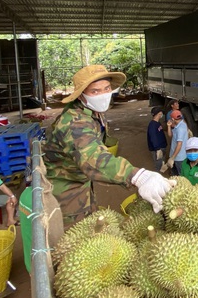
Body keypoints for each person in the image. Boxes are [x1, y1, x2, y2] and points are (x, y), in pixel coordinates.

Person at [43, 65, 175, 225]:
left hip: (82, 180)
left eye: (106, 88)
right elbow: (93, 159)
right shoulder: (74, 124)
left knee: (91, 222)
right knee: (74, 237)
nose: (103, 95)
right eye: (95, 91)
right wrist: (136, 176)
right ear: (81, 96)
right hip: (66, 189)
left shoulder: (93, 113)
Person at [166, 109, 188, 175]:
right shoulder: (180, 124)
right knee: (174, 173)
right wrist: (169, 126)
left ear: (173, 119)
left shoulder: (180, 129)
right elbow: (170, 135)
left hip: (179, 157)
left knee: (180, 175)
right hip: (174, 155)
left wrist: (172, 158)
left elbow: (179, 144)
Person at [147, 106, 167, 172]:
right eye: (161, 113)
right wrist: (157, 149)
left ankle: (161, 172)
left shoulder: (157, 123)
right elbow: (153, 138)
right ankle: (157, 177)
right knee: (158, 164)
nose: (162, 114)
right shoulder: (152, 125)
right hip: (158, 148)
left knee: (162, 162)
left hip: (162, 146)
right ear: (158, 114)